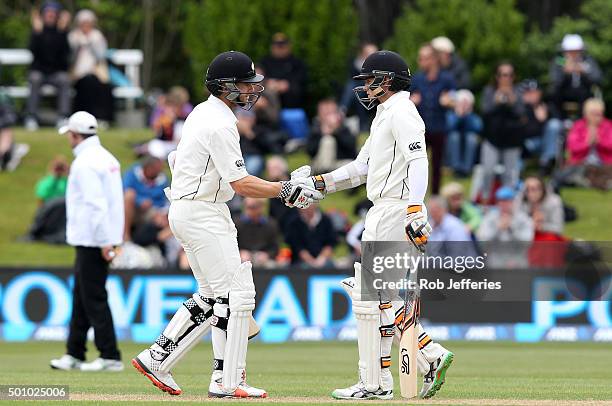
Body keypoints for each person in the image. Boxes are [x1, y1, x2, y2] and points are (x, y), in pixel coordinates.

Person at [131, 51, 322, 398]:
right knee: (236, 297)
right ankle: (227, 380)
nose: (251, 90)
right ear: (226, 87)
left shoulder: (202, 112)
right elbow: (240, 183)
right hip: (203, 213)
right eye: (245, 84)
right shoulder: (219, 122)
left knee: (211, 296)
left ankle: (157, 356)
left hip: (189, 210)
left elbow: (184, 161)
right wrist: (284, 190)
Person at [296, 50, 453, 399]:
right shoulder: (385, 113)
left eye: (370, 80)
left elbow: (418, 161)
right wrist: (320, 184)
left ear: (388, 80)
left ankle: (385, 378)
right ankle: (409, 366)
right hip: (384, 209)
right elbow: (360, 167)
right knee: (382, 300)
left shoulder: (403, 111)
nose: (366, 87)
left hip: (395, 210)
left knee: (372, 300)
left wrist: (414, 209)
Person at [50, 111, 124, 372]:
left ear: (74, 134)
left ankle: (110, 355)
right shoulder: (106, 158)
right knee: (82, 297)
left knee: (93, 297)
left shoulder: (85, 163)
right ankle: (75, 352)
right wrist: (112, 238)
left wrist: (105, 242)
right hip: (99, 236)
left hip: (94, 239)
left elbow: (96, 205)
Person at [410, 43, 456, 194]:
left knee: (437, 165)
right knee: (417, 163)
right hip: (420, 128)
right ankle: (415, 194)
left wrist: (449, 101)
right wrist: (411, 101)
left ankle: (435, 195)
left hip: (438, 127)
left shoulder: (446, 79)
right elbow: (409, 100)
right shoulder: (417, 79)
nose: (421, 61)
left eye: (424, 58)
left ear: (434, 59)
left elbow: (453, 99)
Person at [478, 62, 525, 201]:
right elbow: (485, 112)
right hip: (492, 139)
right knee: (488, 171)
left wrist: (512, 103)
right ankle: (485, 201)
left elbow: (522, 114)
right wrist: (496, 103)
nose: (507, 78)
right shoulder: (489, 91)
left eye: (510, 75)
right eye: (503, 75)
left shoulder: (518, 92)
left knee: (510, 175)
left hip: (512, 140)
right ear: (497, 77)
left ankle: (508, 203)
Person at [25, 1, 71, 130]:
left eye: (53, 13)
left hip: (56, 73)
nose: (50, 15)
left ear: (58, 16)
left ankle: (63, 117)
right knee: (34, 78)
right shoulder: (37, 31)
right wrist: (37, 33)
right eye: (48, 13)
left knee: (64, 79)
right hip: (40, 72)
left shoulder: (62, 32)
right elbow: (33, 51)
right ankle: (31, 117)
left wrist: (62, 32)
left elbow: (65, 55)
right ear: (43, 15)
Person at [552, 98, 612, 190]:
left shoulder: (607, 125)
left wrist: (599, 141)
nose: (597, 117)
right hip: (581, 163)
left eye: (599, 114)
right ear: (586, 114)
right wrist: (587, 143)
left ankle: (587, 182)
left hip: (604, 164)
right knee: (566, 172)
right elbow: (572, 147)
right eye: (594, 114)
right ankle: (588, 182)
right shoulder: (578, 126)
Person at [68, 9, 113, 123]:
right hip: (77, 74)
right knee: (86, 84)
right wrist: (79, 45)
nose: (85, 25)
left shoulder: (97, 36)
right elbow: (70, 58)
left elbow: (101, 56)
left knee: (101, 86)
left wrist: (90, 43)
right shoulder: (73, 36)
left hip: (96, 72)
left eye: (88, 22)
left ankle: (101, 117)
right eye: (83, 23)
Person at [477, 186, 533, 268]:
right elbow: (483, 242)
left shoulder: (523, 218)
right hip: (495, 262)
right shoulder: (489, 218)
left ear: (513, 201)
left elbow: (527, 243)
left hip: (518, 261)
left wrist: (511, 229)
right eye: (501, 201)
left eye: (507, 201)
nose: (504, 204)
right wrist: (497, 229)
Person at [550, 34, 602, 119]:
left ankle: (584, 121)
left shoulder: (588, 61)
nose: (573, 54)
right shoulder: (559, 61)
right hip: (564, 92)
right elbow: (554, 81)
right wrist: (565, 73)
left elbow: (598, 79)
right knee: (554, 94)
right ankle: (559, 120)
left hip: (584, 93)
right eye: (570, 51)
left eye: (576, 51)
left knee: (586, 95)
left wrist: (584, 72)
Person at [520, 79, 562, 175]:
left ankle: (546, 164)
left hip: (545, 143)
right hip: (527, 142)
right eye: (529, 93)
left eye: (535, 92)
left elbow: (558, 126)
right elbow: (524, 131)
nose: (533, 95)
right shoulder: (521, 109)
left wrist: (544, 120)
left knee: (554, 124)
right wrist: (540, 122)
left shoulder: (547, 106)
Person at [123, 155, 169, 241]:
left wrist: (159, 211)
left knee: (165, 219)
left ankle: (153, 244)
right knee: (129, 195)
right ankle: (126, 236)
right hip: (131, 206)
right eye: (156, 169)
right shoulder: (132, 173)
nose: (159, 171)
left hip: (151, 209)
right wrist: (140, 201)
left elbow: (163, 200)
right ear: (147, 168)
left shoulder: (162, 179)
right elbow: (124, 189)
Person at [307, 98, 357, 173]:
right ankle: (325, 174)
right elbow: (310, 151)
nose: (328, 116)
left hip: (339, 163)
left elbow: (352, 149)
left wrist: (336, 132)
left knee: (352, 165)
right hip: (320, 166)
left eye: (331, 112)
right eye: (325, 112)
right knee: (327, 140)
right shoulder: (316, 128)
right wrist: (322, 135)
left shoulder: (343, 128)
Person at [259, 33, 308, 108]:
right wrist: (269, 83)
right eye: (276, 44)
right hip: (269, 105)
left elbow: (301, 80)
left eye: (282, 44)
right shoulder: (264, 62)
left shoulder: (297, 63)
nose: (279, 47)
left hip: (292, 104)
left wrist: (287, 84)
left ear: (288, 45)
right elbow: (258, 78)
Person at [339, 43, 379, 131]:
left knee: (353, 89)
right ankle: (360, 124)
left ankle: (342, 109)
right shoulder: (357, 63)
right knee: (354, 89)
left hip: (374, 89)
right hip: (361, 89)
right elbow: (354, 76)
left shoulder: (380, 65)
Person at [145, 86, 193, 159]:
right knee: (154, 145)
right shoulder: (163, 109)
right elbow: (155, 128)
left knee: (180, 127)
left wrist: (176, 117)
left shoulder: (187, 108)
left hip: (180, 143)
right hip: (164, 142)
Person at [445, 89, 481, 176]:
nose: (464, 106)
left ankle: (466, 169)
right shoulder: (451, 114)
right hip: (454, 140)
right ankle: (456, 168)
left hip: (468, 140)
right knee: (454, 137)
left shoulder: (473, 116)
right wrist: (459, 116)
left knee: (471, 138)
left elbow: (478, 128)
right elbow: (449, 127)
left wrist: (468, 115)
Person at [235, 197, 280, 267]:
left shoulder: (270, 224)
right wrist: (240, 253)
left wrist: (267, 255)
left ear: (261, 207)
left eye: (253, 207)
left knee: (271, 266)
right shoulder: (237, 223)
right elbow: (232, 244)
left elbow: (275, 247)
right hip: (243, 256)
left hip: (263, 256)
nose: (249, 210)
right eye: (247, 207)